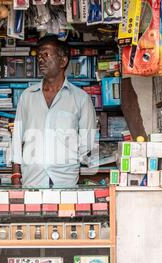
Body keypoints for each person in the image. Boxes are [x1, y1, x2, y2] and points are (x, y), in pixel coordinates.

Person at [11, 35, 97, 187]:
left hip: (65, 181)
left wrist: (70, 164)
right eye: (39, 56)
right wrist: (16, 176)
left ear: (63, 61)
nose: (40, 59)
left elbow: (87, 142)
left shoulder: (80, 98)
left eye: (46, 54)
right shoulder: (27, 96)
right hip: (33, 180)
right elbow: (17, 138)